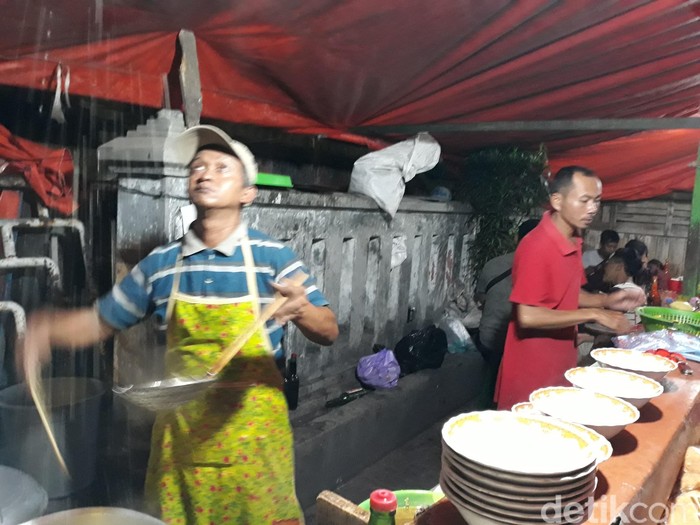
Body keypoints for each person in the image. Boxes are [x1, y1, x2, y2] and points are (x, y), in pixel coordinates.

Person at [17, 125, 339, 524]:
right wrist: (47, 330)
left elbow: (328, 330)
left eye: (222, 168)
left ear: (247, 193)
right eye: (197, 167)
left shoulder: (273, 259)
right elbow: (100, 320)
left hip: (255, 441)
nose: (205, 174)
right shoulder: (161, 265)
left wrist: (304, 309)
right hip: (183, 440)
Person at [494, 166, 646, 410]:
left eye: (596, 201)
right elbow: (528, 315)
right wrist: (595, 314)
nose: (593, 209)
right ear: (557, 200)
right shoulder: (537, 246)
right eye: (584, 200)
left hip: (560, 363)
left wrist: (607, 301)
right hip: (531, 370)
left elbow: (568, 294)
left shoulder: (573, 240)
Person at [474, 218, 539, 406]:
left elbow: (480, 298)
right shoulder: (541, 269)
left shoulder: (493, 264)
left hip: (487, 340)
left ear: (517, 238)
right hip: (516, 346)